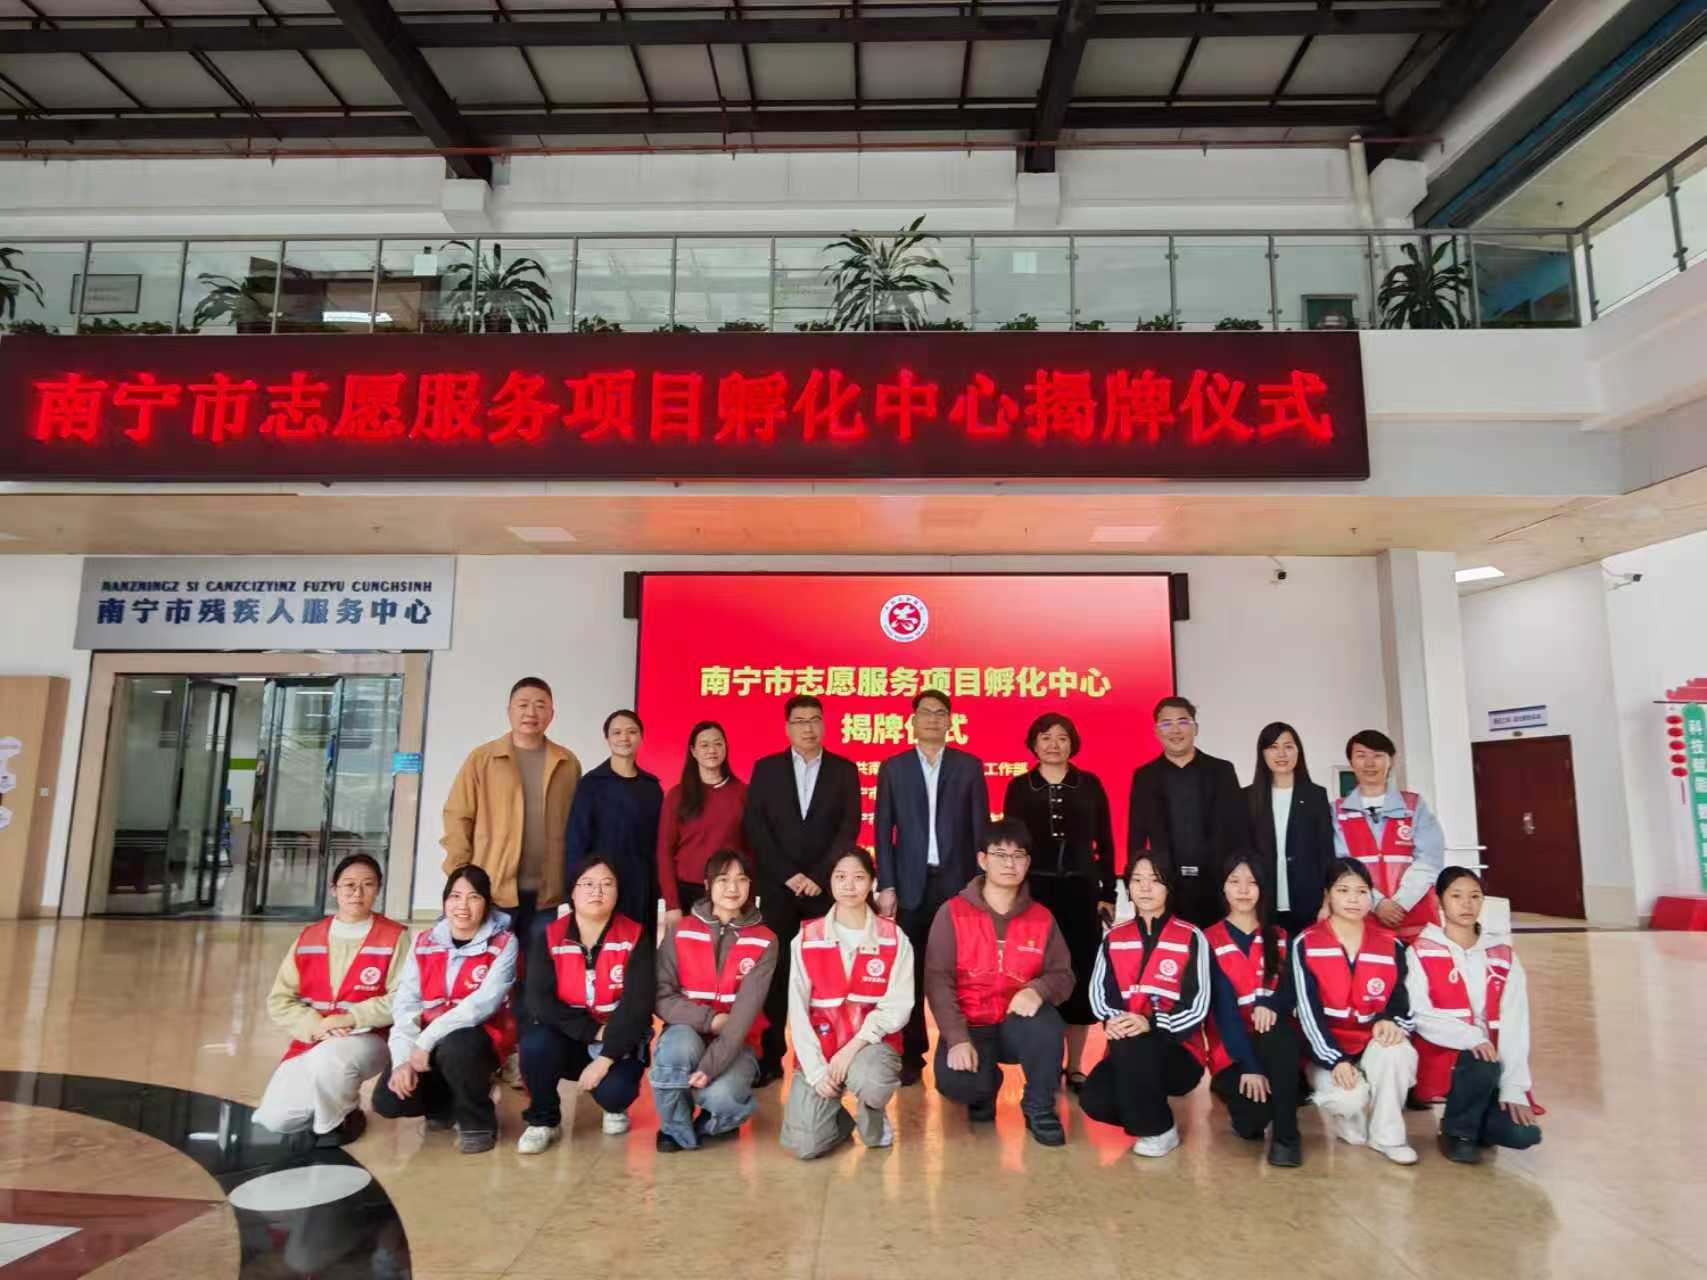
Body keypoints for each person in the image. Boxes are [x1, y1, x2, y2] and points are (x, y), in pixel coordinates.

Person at [925, 818, 1074, 1147]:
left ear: (1027, 863)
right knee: (959, 1085)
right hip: (972, 1025)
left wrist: (1037, 990)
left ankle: (1039, 1107)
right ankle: (984, 1088)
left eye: (1018, 856)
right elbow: (937, 981)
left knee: (1047, 1024)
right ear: (982, 860)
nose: (1010, 864)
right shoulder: (952, 913)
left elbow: (1063, 975)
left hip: (1016, 1024)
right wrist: (956, 1038)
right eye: (1000, 855)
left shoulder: (1042, 918)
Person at [253, 854, 409, 1149]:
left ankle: (340, 1118)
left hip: (371, 1038)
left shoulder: (394, 936)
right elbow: (280, 999)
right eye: (348, 884)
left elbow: (402, 998)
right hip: (315, 1037)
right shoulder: (309, 936)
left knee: (331, 1059)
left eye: (367, 884)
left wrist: (350, 1018)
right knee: (277, 1119)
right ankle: (327, 1099)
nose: (357, 892)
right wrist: (316, 1025)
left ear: (378, 889)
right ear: (334, 889)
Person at [874, 689, 989, 1085]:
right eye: (926, 713)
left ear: (950, 721)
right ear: (913, 720)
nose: (933, 719)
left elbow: (980, 829)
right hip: (910, 885)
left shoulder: (969, 766)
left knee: (961, 971)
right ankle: (912, 1053)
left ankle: (961, 1045)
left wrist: (981, 884)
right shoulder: (894, 768)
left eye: (941, 713)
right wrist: (887, 884)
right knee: (910, 971)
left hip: (959, 884)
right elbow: (883, 830)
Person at [744, 695, 861, 1084]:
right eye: (799, 721)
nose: (808, 728)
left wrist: (820, 874)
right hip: (779, 890)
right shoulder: (767, 769)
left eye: (814, 720)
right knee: (776, 974)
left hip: (824, 891)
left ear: (824, 724)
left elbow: (849, 827)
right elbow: (757, 828)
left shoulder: (844, 770)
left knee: (825, 976)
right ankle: (770, 1057)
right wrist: (787, 874)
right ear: (787, 727)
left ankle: (826, 1056)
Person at [1001, 711, 1116, 1092]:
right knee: (1037, 975)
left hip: (1082, 893)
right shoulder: (1019, 787)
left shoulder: (1089, 784)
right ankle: (1044, 1065)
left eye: (1062, 737)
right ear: (1033, 744)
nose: (1054, 744)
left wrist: (1108, 894)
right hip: (1035, 894)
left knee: (1079, 976)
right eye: (1046, 737)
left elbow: (1106, 841)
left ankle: (1076, 1065)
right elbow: (1011, 847)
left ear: (1073, 743)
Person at [372, 866, 518, 1154]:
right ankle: (442, 1104)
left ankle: (478, 1120)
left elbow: (480, 1006)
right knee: (388, 1101)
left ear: (487, 904)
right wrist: (402, 1059)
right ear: (444, 901)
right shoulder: (424, 942)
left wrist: (425, 1042)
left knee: (458, 1046)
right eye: (455, 896)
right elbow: (406, 1003)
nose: (463, 905)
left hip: (478, 1040)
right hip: (430, 1041)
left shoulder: (504, 943)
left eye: (474, 897)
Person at [516, 855, 656, 1154]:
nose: (597, 892)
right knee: (535, 1045)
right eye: (588, 884)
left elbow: (637, 1005)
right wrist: (591, 1031)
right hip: (568, 1036)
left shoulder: (634, 935)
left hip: (617, 1038)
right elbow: (539, 1000)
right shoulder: (550, 936)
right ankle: (543, 1119)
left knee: (615, 1093)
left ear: (618, 892)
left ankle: (614, 1107)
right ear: (572, 891)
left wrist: (606, 1057)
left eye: (607, 884)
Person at [781, 847, 913, 1158]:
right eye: (840, 877)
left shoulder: (894, 938)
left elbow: (898, 1006)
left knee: (872, 1081)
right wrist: (816, 1071)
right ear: (830, 881)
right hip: (821, 1050)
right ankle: (839, 1122)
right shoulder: (806, 938)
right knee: (805, 1146)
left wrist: (851, 1049)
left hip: (869, 1049)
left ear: (872, 883)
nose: (849, 885)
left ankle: (873, 1113)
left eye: (858, 878)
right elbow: (797, 1012)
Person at [1407, 866, 1542, 1163]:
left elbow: (1516, 1024)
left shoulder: (1502, 955)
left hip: (1491, 1062)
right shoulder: (1421, 950)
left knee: (1525, 1135)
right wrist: (1471, 1038)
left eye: (1475, 896)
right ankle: (1457, 1132)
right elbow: (1419, 1012)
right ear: (1439, 901)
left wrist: (1514, 1087)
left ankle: (1475, 1118)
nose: (1466, 904)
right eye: (1456, 896)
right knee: (1481, 1063)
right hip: (1443, 1055)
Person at [1080, 851, 1210, 1158]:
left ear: (1169, 887)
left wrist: (1150, 1023)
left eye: (1154, 880)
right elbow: (1100, 994)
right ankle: (1150, 1110)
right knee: (1094, 1100)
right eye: (1137, 880)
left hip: (1179, 1053)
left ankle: (1159, 1130)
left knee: (1135, 1041)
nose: (1145, 888)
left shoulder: (1191, 936)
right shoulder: (1114, 938)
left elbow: (1198, 1004)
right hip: (1127, 1049)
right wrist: (1117, 1020)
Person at [441, 676, 582, 952]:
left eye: (540, 705)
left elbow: (576, 825)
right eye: (523, 704)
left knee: (536, 967)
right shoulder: (482, 759)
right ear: (509, 711)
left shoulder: (567, 762)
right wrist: (460, 873)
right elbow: (458, 815)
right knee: (488, 963)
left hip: (546, 892)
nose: (531, 712)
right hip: (492, 887)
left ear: (551, 714)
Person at [1293, 858, 1420, 1164]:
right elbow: (1307, 1013)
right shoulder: (1306, 943)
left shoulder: (1391, 944)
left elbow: (1403, 1001)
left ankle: (1388, 1136)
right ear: (1327, 895)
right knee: (1347, 1103)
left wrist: (1391, 1021)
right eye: (1343, 890)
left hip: (1370, 1043)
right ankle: (1348, 1114)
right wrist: (1334, 1059)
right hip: (1327, 1049)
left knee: (1396, 1052)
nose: (1353, 899)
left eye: (1362, 891)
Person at [651, 849, 778, 1152]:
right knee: (675, 1050)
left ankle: (714, 1120)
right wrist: (710, 1020)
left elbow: (744, 1016)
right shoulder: (681, 930)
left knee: (722, 1097)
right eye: (723, 879)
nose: (733, 888)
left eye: (741, 879)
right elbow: (661, 996)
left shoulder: (765, 939)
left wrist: (709, 1068)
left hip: (738, 1041)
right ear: (707, 885)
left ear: (750, 885)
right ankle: (674, 1128)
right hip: (686, 1029)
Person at [1204, 854, 1304, 1167]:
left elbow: (1292, 992)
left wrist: (1270, 1004)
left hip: (1278, 1045)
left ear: (1263, 888)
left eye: (1252, 882)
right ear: (1223, 888)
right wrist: (1250, 1066)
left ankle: (1287, 1139)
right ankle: (1247, 1099)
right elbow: (1224, 1013)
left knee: (1276, 1033)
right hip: (1232, 1052)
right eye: (1234, 881)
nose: (1244, 890)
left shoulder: (1282, 938)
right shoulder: (1208, 940)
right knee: (1252, 1123)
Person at [1127, 696, 1250, 927]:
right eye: (1166, 723)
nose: (1175, 730)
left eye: (1183, 722)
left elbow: (1238, 830)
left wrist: (1240, 882)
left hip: (1217, 886)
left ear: (1196, 728)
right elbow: (1136, 835)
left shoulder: (1222, 771)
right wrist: (1134, 888)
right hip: (1166, 888)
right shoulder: (1144, 776)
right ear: (1156, 731)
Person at [1334, 729, 1445, 943]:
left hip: (1415, 920)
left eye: (1378, 755)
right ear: (1351, 762)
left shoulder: (1414, 806)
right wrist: (1377, 903)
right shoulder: (1337, 812)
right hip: (1360, 921)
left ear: (1391, 761)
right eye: (1361, 755)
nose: (1369, 763)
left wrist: (1400, 903)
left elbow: (1430, 860)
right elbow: (1340, 864)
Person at [564, 709, 665, 932]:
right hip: (601, 887)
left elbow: (659, 844)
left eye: (631, 732)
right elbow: (576, 842)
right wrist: (574, 888)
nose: (624, 738)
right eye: (617, 732)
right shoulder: (591, 784)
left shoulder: (651, 787)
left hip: (642, 887)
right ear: (607, 738)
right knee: (604, 947)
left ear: (641, 736)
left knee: (640, 945)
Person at [1243, 722, 1336, 935]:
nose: (1281, 754)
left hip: (1308, 904)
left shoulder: (1315, 796)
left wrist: (1327, 901)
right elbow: (1243, 855)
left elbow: (1326, 854)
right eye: (1273, 747)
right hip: (1261, 904)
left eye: (1288, 746)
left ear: (1298, 751)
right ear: (1262, 753)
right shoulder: (1247, 797)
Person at [657, 720, 747, 929]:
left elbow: (750, 849)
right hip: (687, 893)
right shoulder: (677, 795)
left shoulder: (742, 793)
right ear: (693, 751)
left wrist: (748, 897)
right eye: (704, 745)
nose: (712, 750)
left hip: (730, 892)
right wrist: (672, 904)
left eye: (718, 744)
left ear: (726, 747)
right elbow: (664, 852)